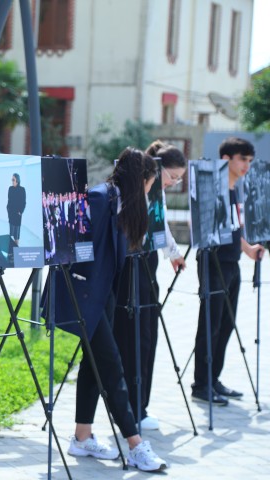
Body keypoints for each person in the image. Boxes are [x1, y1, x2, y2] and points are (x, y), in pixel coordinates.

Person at [45, 147, 167, 472]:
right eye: (150, 183)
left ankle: (82, 438)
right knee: (112, 367)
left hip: (103, 297)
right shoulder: (100, 198)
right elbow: (69, 247)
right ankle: (135, 444)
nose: (150, 191)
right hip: (84, 296)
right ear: (140, 179)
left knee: (93, 364)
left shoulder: (118, 201)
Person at [112, 141, 187, 431]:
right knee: (133, 338)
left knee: (147, 336)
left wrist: (174, 253)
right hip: (130, 268)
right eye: (172, 177)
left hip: (148, 265)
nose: (173, 183)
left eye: (179, 179)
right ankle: (132, 407)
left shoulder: (155, 193)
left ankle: (140, 404)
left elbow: (161, 225)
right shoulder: (136, 191)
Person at [192, 137, 265, 405]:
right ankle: (201, 384)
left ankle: (213, 379)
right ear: (226, 160)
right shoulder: (213, 188)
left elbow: (234, 228)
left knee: (226, 324)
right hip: (213, 262)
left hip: (232, 263)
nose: (246, 165)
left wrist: (247, 248)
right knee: (210, 325)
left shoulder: (236, 190)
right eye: (242, 159)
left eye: (249, 160)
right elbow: (201, 225)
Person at [6, 173, 26, 244]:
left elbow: (24, 203)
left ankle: (16, 251)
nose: (12, 181)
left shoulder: (22, 189)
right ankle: (11, 251)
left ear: (17, 180)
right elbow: (9, 200)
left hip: (17, 215)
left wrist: (20, 212)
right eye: (12, 179)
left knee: (16, 237)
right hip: (11, 214)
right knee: (11, 235)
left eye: (13, 179)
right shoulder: (10, 188)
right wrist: (8, 208)